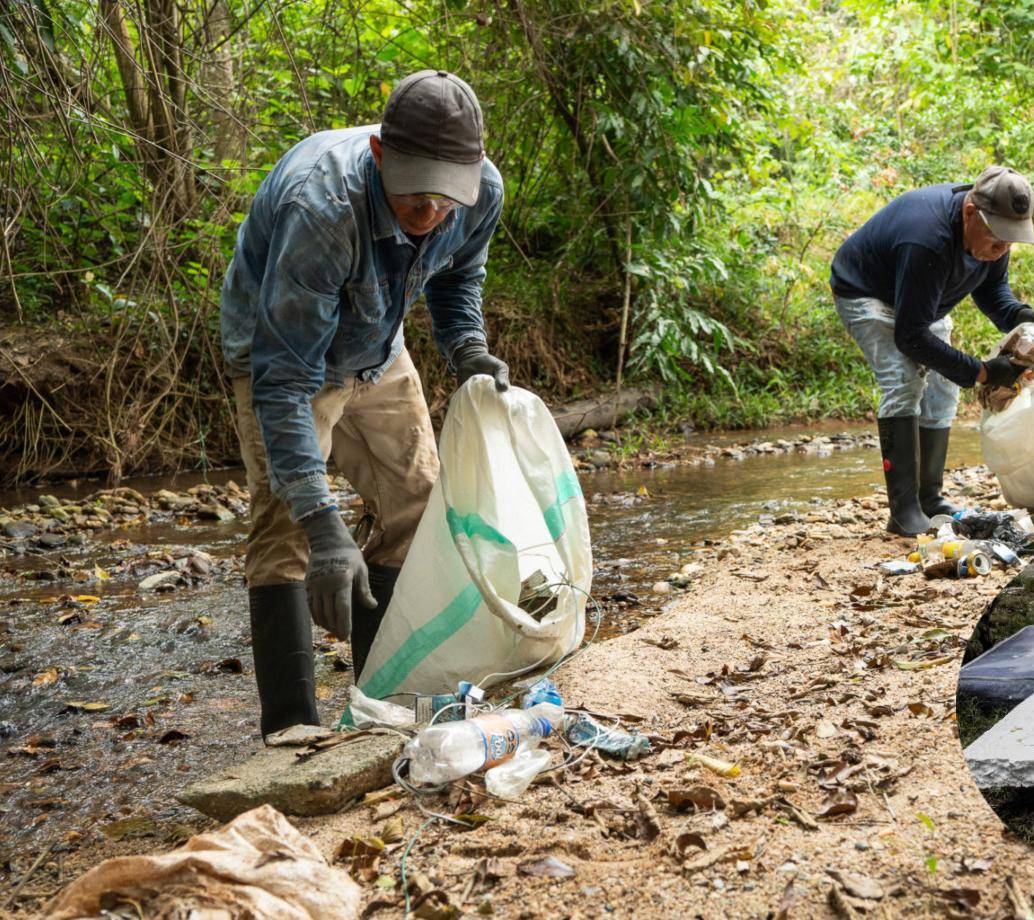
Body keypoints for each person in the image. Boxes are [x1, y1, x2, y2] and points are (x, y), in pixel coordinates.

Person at [219, 70, 509, 739]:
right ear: (381, 155)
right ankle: (290, 730)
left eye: (448, 194)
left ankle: (376, 704)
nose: (433, 209)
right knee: (288, 529)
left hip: (378, 348)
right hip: (282, 356)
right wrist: (326, 528)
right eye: (416, 192)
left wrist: (466, 346)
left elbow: (460, 274)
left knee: (420, 504)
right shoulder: (321, 209)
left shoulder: (479, 190)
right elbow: (284, 382)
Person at [831, 166, 1034, 536]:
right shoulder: (928, 237)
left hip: (922, 301)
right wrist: (984, 371)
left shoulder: (993, 235)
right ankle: (904, 511)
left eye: (1011, 240)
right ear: (970, 213)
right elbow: (910, 337)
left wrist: (1026, 319)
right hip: (867, 291)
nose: (1002, 248)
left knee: (943, 386)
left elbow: (994, 296)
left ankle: (930, 498)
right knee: (904, 381)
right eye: (997, 238)